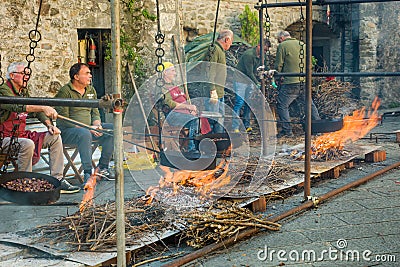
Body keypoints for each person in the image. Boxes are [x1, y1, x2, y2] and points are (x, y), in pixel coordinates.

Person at [0, 62, 80, 193]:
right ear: (12, 75)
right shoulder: (3, 90)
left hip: (20, 134)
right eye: (22, 74)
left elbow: (36, 111)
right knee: (27, 143)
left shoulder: (23, 92)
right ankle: (25, 183)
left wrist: (49, 125)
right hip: (5, 138)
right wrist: (43, 107)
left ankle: (58, 179)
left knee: (54, 137)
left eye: (27, 74)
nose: (26, 77)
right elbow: (15, 106)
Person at [55, 63, 114, 187]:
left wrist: (97, 125)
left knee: (112, 129)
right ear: (76, 76)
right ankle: (87, 173)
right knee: (85, 133)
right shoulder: (65, 91)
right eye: (87, 73)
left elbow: (95, 111)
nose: (90, 76)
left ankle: (102, 168)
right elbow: (64, 119)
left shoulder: (91, 90)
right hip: (69, 131)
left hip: (88, 129)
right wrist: (88, 128)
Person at [274, 30, 321, 138]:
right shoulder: (303, 45)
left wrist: (277, 76)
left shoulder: (282, 46)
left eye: (278, 40)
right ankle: (318, 128)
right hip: (304, 80)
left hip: (291, 82)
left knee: (282, 105)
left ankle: (288, 131)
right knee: (309, 103)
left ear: (281, 38)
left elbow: (278, 66)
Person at [188, 29, 234, 134]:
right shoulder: (214, 50)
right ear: (226, 39)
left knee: (220, 118)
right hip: (214, 92)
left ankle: (218, 140)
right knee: (214, 118)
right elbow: (210, 71)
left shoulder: (220, 50)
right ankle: (212, 141)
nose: (230, 45)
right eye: (230, 42)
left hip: (219, 91)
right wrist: (212, 90)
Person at [232, 39, 271, 133]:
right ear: (259, 46)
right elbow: (249, 72)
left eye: (266, 51)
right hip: (240, 80)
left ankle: (247, 125)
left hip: (250, 81)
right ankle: (235, 126)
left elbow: (266, 67)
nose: (265, 52)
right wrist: (257, 83)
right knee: (239, 102)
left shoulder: (263, 56)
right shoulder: (249, 55)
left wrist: (269, 74)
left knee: (248, 103)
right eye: (264, 50)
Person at [160, 62, 199, 152]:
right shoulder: (163, 87)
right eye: (173, 71)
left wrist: (190, 110)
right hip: (173, 115)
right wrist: (188, 108)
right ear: (165, 72)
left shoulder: (175, 86)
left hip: (183, 113)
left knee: (201, 119)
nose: (175, 73)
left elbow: (184, 99)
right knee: (193, 120)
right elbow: (169, 103)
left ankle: (199, 147)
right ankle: (191, 148)